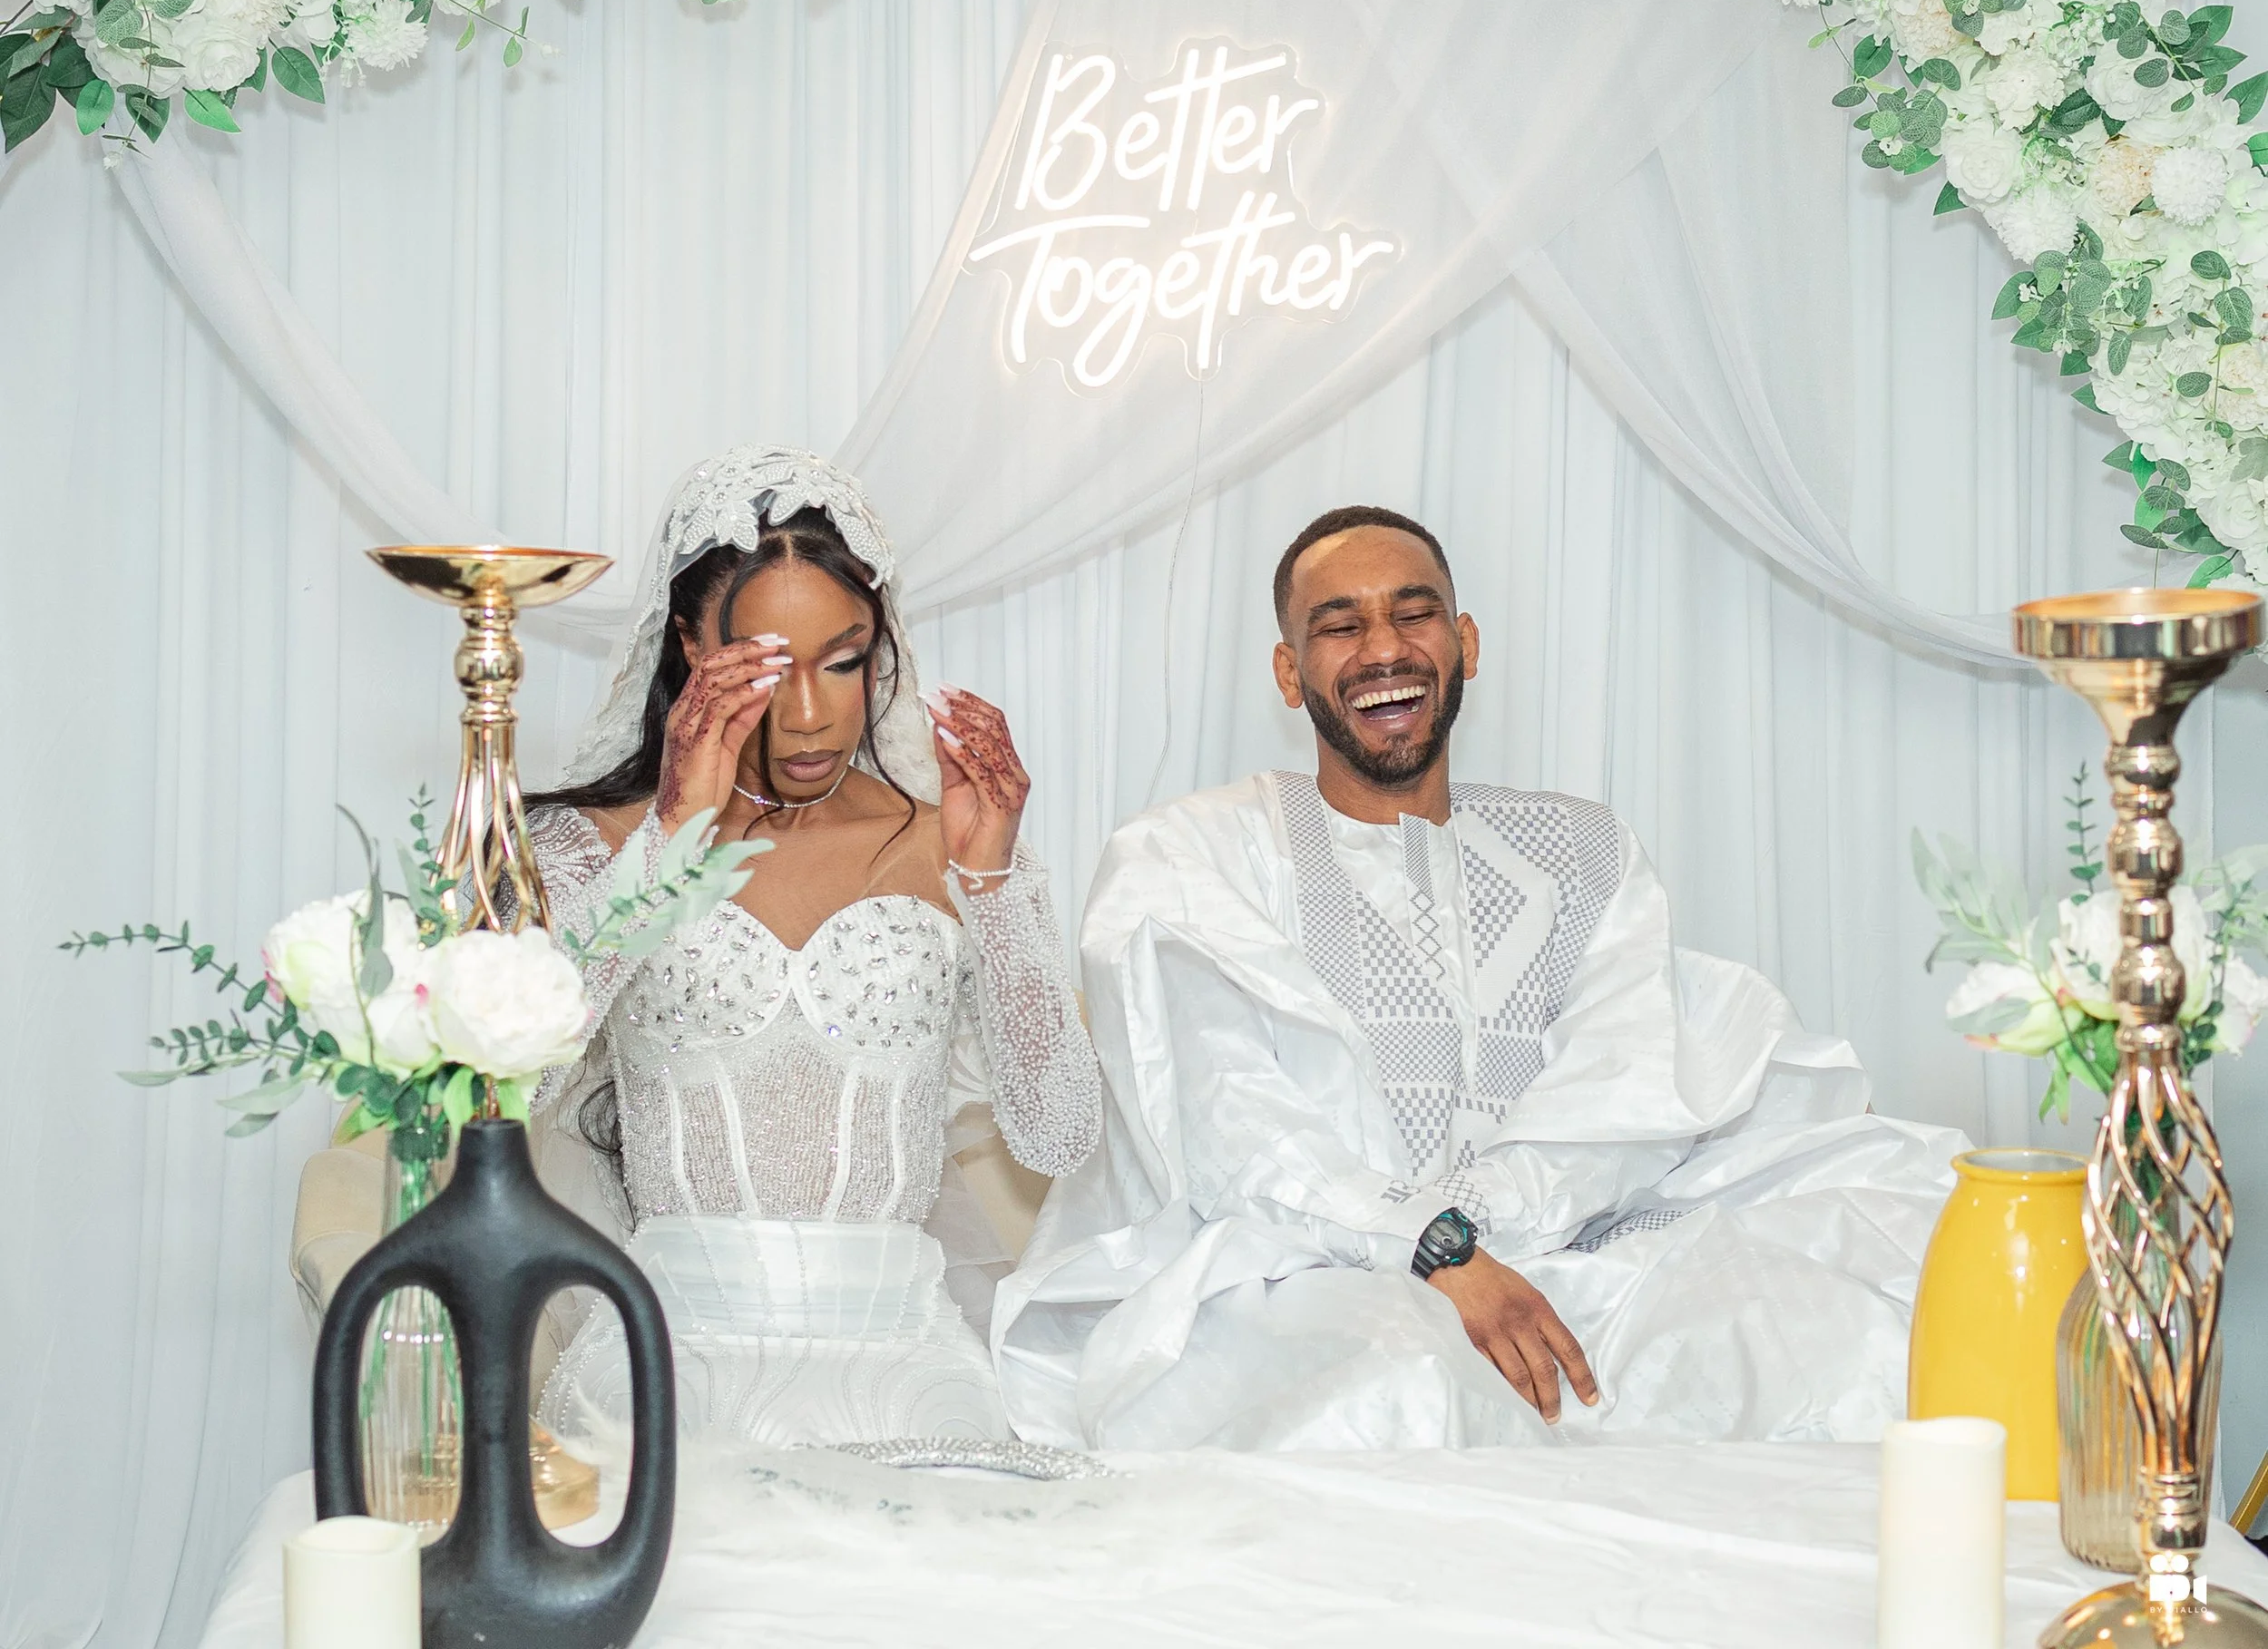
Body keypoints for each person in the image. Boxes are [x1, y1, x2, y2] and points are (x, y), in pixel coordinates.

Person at [992, 505, 1963, 1452]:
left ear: (1463, 641)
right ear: (1290, 674)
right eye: (1340, 625)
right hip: (1298, 1265)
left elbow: (1625, 1081)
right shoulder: (1192, 852)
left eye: (1412, 614)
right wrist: (1432, 1246)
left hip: (1567, 1249)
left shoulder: (1581, 849)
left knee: (1854, 1305)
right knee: (1398, 1387)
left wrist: (1488, 1236)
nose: (1383, 648)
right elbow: (1227, 1121)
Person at [525, 448, 1100, 1446]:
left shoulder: (948, 840)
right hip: (671, 1356)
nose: (808, 713)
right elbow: (502, 1084)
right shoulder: (604, 848)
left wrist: (996, 886)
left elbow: (1057, 1136)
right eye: (758, 667)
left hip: (902, 1364)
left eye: (843, 660)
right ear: (682, 647)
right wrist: (664, 848)